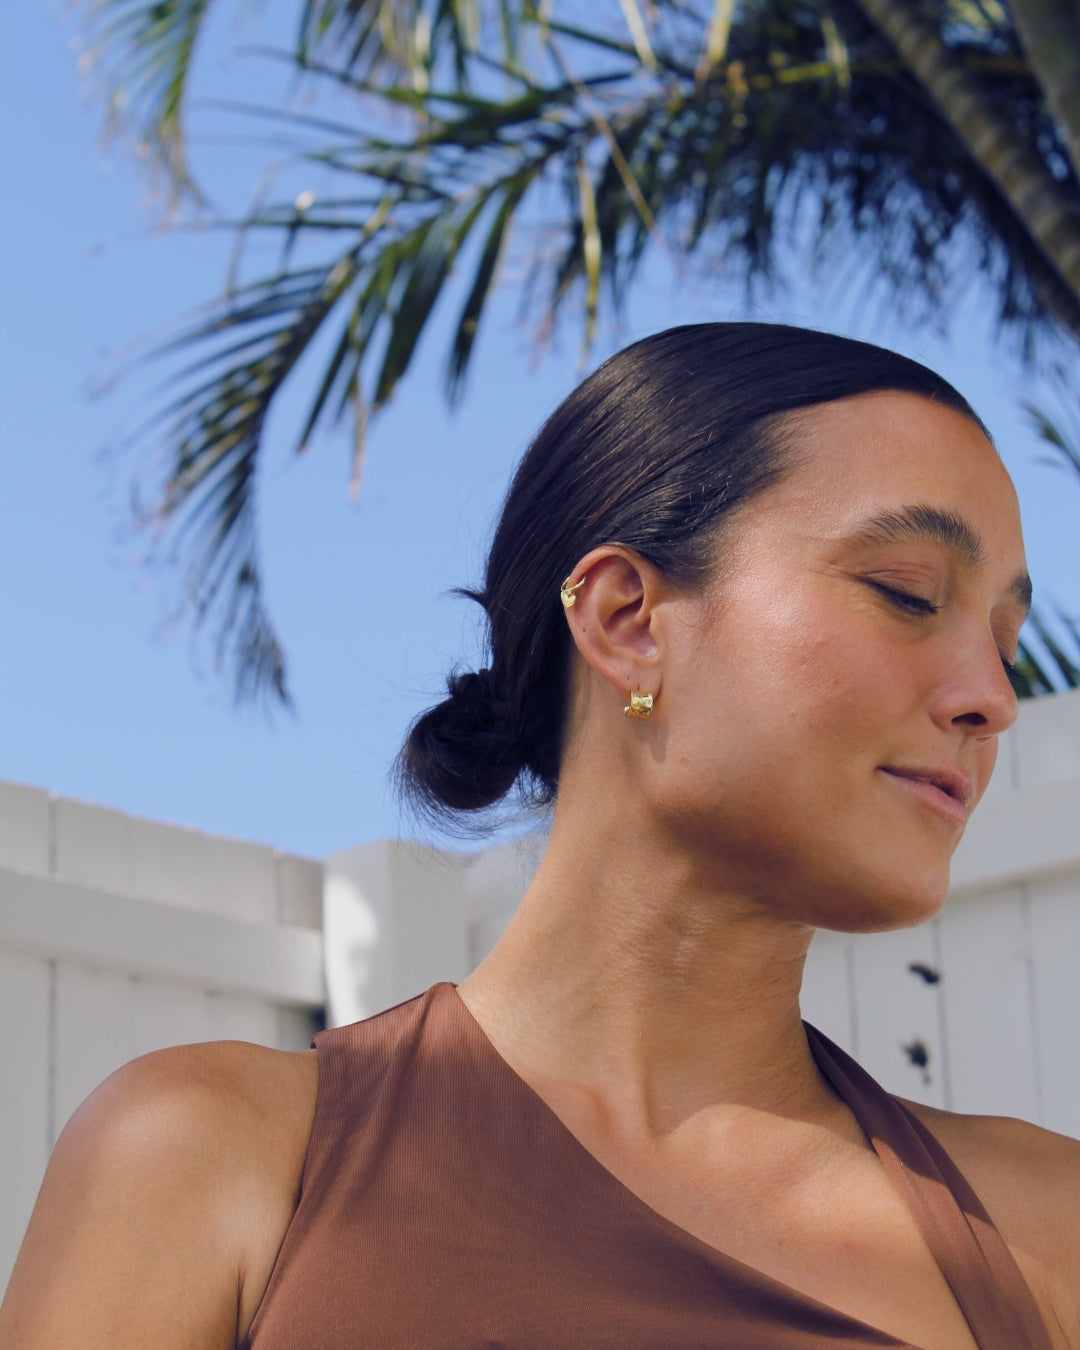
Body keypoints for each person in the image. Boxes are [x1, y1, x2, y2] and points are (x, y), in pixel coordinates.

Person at [1, 322, 1078, 1350]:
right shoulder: (207, 1160)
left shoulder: (1050, 1233)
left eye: (1004, 638)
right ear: (627, 621)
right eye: (906, 594)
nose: (992, 696)